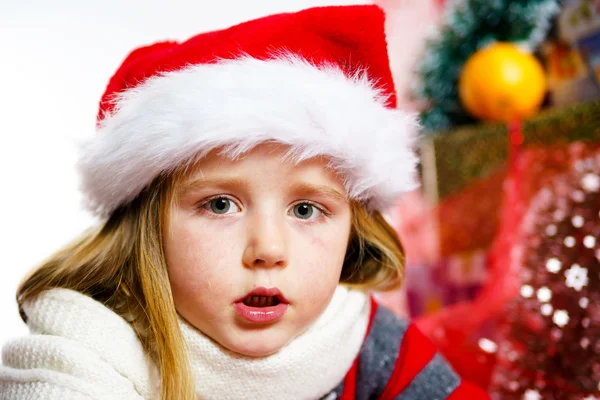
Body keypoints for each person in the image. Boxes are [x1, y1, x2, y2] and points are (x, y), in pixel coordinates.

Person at [0, 5, 489, 400]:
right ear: (148, 226)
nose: (267, 249)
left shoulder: (372, 345)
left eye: (305, 210)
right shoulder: (89, 346)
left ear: (354, 228)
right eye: (219, 205)